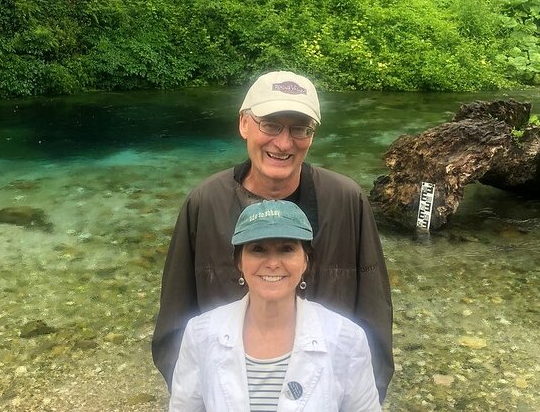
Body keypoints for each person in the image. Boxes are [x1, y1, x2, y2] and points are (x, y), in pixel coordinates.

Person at [153, 70, 393, 402]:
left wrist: (366, 395)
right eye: (270, 125)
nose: (283, 142)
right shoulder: (204, 203)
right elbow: (175, 321)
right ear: (244, 124)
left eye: (299, 129)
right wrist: (200, 395)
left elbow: (374, 315)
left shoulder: (346, 201)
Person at [169, 200, 382, 411]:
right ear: (239, 262)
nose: (272, 263)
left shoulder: (348, 340)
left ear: (306, 261)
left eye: (286, 249)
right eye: (258, 249)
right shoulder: (200, 334)